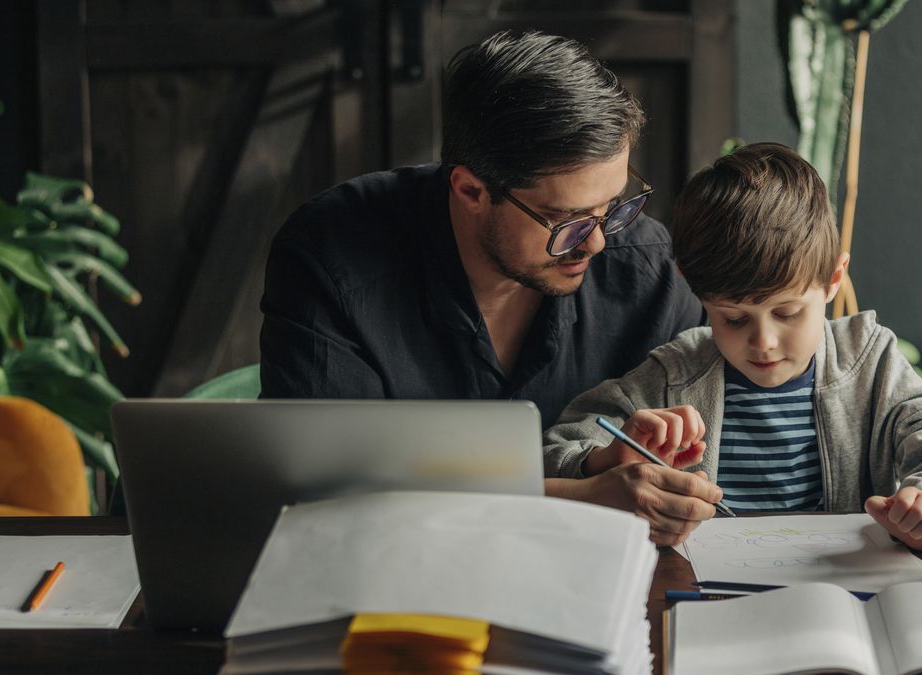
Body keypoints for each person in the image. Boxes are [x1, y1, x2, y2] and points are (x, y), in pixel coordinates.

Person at [258, 30, 723, 543]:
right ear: (470, 190)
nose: (594, 245)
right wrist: (582, 497)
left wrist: (642, 469)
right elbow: (326, 495)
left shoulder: (645, 265)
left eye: (611, 207)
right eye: (565, 220)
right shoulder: (332, 258)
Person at [543, 142, 922, 549]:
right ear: (692, 287)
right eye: (734, 318)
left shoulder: (871, 362)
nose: (763, 342)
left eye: (788, 313)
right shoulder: (674, 373)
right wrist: (604, 460)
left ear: (834, 278)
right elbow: (551, 453)